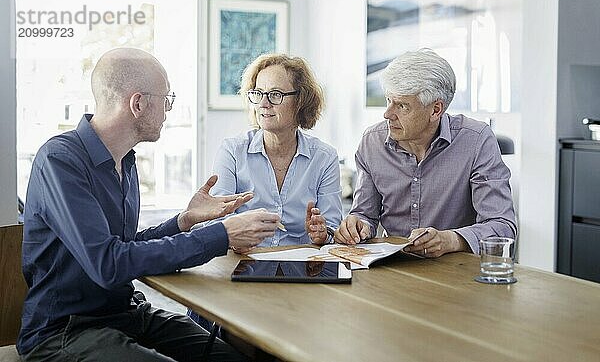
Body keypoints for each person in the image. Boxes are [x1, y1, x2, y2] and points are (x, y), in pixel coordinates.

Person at [17, 47, 281, 362]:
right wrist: (221, 234)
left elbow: (125, 246)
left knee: (232, 358)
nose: (169, 110)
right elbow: (109, 263)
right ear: (139, 103)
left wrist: (184, 221)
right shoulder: (60, 160)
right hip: (64, 331)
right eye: (166, 99)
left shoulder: (125, 161)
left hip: (126, 314)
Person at [188, 53, 342, 330]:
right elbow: (213, 220)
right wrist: (234, 238)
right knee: (209, 327)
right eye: (257, 93)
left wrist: (322, 233)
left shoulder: (325, 157)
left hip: (299, 274)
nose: (263, 103)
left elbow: (332, 228)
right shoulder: (233, 151)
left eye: (275, 94)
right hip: (240, 264)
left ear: (301, 100)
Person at [334, 48, 516, 257]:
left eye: (402, 106)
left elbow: (502, 226)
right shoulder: (372, 142)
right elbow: (364, 214)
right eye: (388, 100)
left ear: (436, 110)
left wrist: (450, 240)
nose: (387, 114)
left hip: (455, 273)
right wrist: (358, 226)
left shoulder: (476, 140)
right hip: (394, 270)